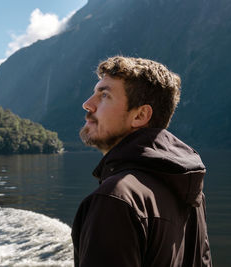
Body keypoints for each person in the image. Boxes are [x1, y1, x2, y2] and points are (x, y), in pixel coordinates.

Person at [71, 56, 212, 267]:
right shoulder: (190, 190)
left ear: (140, 115)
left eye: (105, 95)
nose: (88, 104)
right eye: (94, 93)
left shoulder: (115, 198)